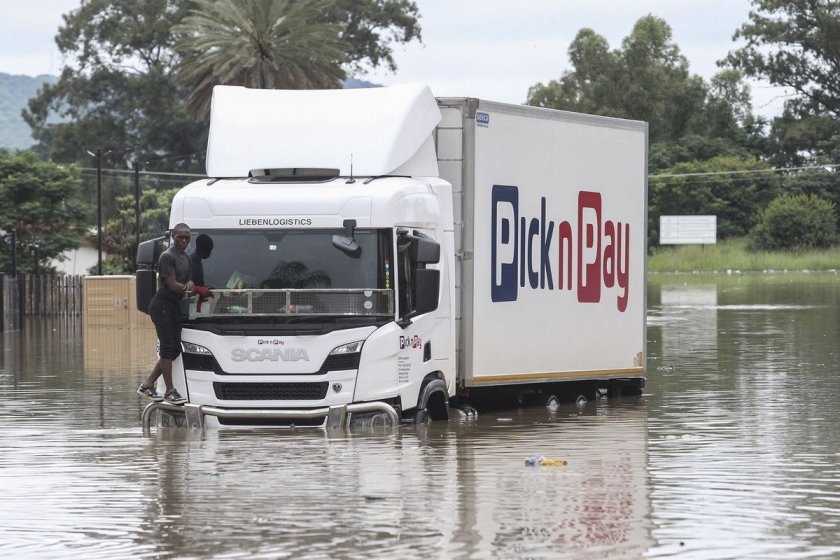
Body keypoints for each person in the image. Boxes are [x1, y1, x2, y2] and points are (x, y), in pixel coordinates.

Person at [137, 223, 194, 405]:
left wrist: (191, 284)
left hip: (174, 307)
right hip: (161, 306)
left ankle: (147, 385)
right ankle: (169, 390)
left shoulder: (186, 257)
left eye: (187, 237)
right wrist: (186, 288)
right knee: (167, 348)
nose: (184, 241)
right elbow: (171, 284)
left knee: (175, 349)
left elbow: (188, 279)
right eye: (180, 237)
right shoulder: (166, 257)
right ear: (173, 237)